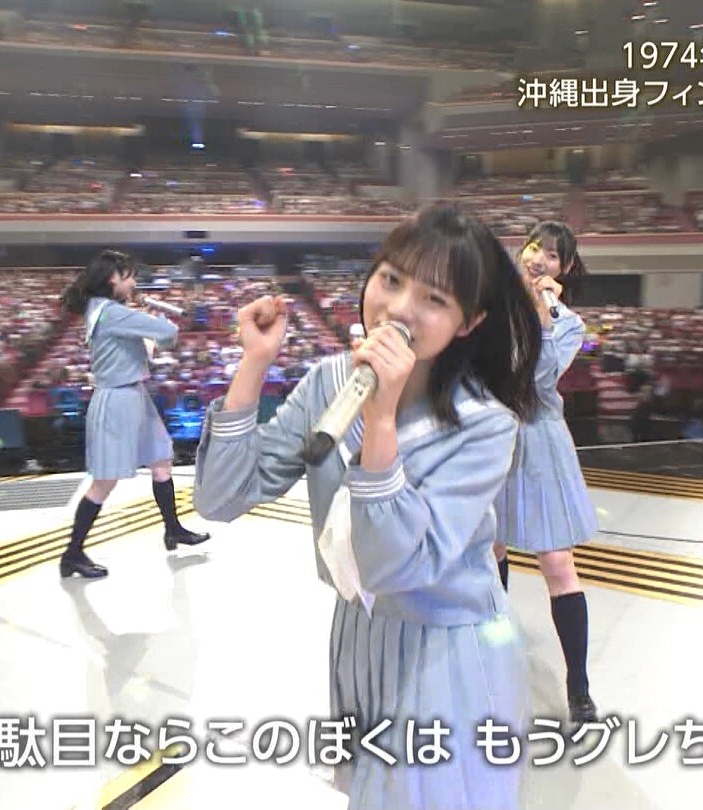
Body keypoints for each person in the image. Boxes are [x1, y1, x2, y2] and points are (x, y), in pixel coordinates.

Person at [192, 203, 543, 809]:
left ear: (468, 322)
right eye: (391, 279)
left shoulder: (486, 425)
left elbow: (397, 566)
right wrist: (254, 363)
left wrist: (380, 420)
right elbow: (220, 497)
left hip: (447, 649)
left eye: (434, 299)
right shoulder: (331, 382)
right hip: (358, 638)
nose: (399, 308)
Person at [491, 221, 601, 724]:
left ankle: (578, 685)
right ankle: (493, 654)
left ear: (566, 268)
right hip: (494, 437)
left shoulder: (568, 323)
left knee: (557, 562)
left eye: (553, 255)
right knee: (490, 550)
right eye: (535, 247)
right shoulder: (494, 309)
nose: (539, 258)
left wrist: (545, 311)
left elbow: (538, 379)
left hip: (539, 442)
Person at [58, 250, 210, 579]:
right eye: (129, 276)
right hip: (117, 401)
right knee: (104, 482)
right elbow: (168, 334)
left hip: (134, 394)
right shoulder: (112, 312)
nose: (134, 282)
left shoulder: (106, 310)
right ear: (112, 279)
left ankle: (173, 530)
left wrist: (147, 329)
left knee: (161, 460)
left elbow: (154, 346)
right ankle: (72, 554)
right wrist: (156, 321)